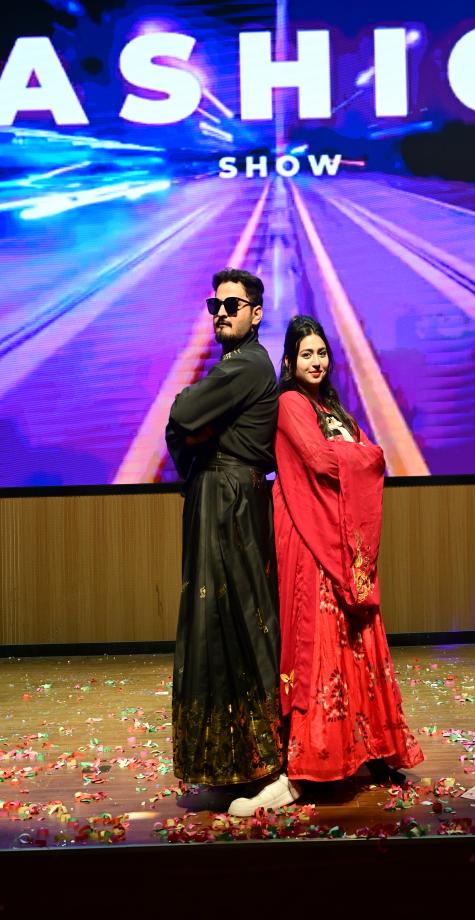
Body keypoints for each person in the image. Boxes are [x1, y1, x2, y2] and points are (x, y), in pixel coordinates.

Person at [228, 315, 423, 815]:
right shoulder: (291, 403)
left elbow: (361, 453)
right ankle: (305, 766)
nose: (316, 362)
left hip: (340, 537)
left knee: (356, 638)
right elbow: (323, 460)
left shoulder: (331, 407)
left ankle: (369, 747)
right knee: (316, 641)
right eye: (306, 354)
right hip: (307, 533)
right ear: (289, 361)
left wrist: (361, 453)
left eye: (321, 353)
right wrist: (364, 454)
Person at [165, 268, 283, 797]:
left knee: (231, 623)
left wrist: (194, 419)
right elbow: (185, 427)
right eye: (215, 305)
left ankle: (258, 758)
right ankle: (231, 758)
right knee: (220, 623)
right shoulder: (236, 364)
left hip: (228, 501)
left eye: (232, 305)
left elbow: (185, 412)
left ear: (255, 314)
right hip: (223, 496)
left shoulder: (247, 365)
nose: (221, 313)